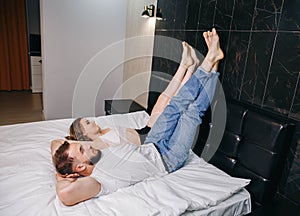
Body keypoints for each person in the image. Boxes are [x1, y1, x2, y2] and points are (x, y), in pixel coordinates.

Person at [51, 28, 224, 206]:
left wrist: (63, 167)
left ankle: (212, 61)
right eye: (81, 150)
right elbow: (65, 194)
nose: (85, 145)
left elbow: (55, 144)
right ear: (79, 167)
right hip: (168, 159)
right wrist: (61, 177)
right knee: (191, 114)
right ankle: (211, 61)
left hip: (152, 142)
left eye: (80, 145)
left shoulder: (95, 151)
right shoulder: (99, 181)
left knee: (175, 104)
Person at [65, 41, 201, 146]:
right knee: (173, 101)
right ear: (83, 133)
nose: (93, 121)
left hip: (146, 129)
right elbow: (68, 145)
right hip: (151, 140)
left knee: (164, 97)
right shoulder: (98, 144)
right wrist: (77, 140)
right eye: (88, 123)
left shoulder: (103, 131)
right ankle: (190, 67)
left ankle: (188, 65)